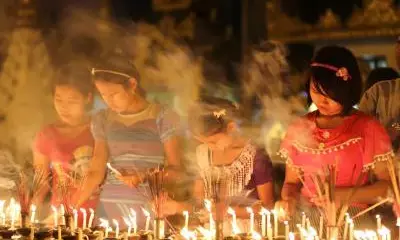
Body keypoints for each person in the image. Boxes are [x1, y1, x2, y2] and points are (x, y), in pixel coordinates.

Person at [276, 46, 393, 227]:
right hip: (306, 221)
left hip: (353, 221)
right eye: (316, 91)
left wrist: (341, 194)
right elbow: (291, 183)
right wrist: (288, 199)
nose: (322, 101)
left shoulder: (367, 128)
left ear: (347, 91)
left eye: (330, 95)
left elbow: (387, 188)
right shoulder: (299, 128)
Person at [73, 56, 182, 225]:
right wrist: (68, 209)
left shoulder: (162, 117)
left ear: (132, 85)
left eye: (114, 94)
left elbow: (176, 170)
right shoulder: (103, 119)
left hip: (148, 210)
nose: (108, 101)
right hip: (109, 208)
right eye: (103, 95)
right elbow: (96, 171)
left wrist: (144, 176)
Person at [162, 97, 274, 230]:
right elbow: (199, 205)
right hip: (211, 231)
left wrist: (228, 211)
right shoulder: (203, 155)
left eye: (213, 142)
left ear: (231, 127)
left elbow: (268, 207)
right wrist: (177, 207)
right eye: (204, 142)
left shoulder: (255, 156)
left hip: (246, 232)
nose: (209, 147)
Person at [33, 63, 99, 224]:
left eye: (72, 100)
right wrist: (30, 211)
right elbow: (41, 183)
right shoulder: (46, 135)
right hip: (60, 220)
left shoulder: (99, 130)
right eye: (59, 99)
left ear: (88, 98)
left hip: (98, 216)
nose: (64, 107)